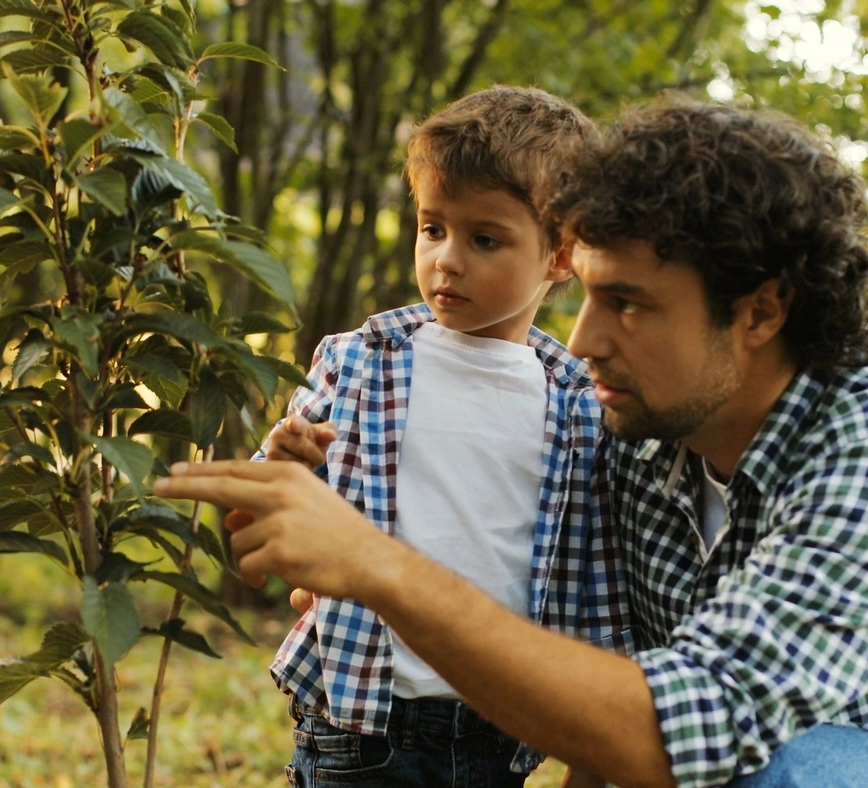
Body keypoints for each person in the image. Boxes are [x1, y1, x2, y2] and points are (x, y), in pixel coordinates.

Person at [158, 100, 868, 787]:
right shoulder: (638, 440)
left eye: (630, 304)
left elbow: (682, 732)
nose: (582, 340)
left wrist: (379, 566)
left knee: (776, 775)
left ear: (762, 310)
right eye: (589, 292)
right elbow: (606, 697)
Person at [240, 85, 633, 787]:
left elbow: (589, 580)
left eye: (485, 239)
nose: (447, 259)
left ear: (559, 256)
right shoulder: (360, 360)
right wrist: (285, 467)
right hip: (359, 721)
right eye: (432, 228)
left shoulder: (578, 404)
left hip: (497, 726)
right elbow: (268, 517)